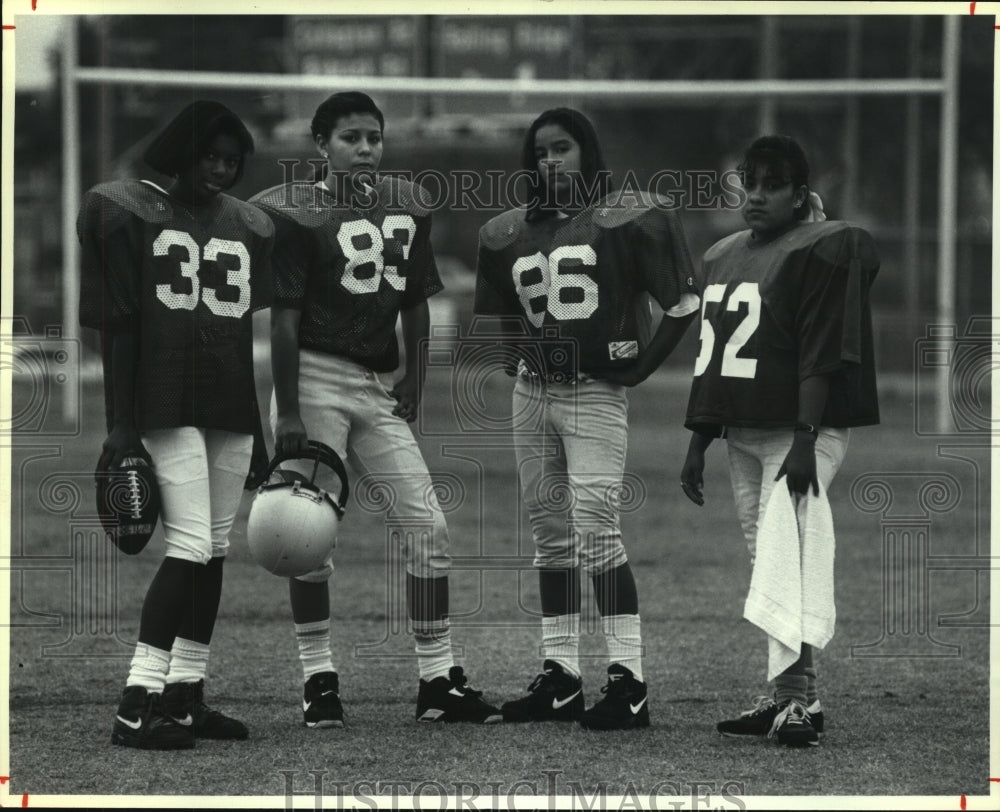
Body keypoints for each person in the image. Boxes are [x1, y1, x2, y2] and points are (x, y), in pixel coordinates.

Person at [250, 91, 502, 727]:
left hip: (372, 378)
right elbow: (282, 319)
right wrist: (286, 411)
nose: (365, 149)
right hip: (310, 374)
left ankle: (437, 681)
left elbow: (417, 298)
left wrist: (415, 373)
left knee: (428, 527)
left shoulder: (404, 205)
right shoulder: (294, 212)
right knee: (305, 534)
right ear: (320, 145)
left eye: (373, 138)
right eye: (350, 138)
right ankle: (319, 679)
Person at [474, 107, 699, 730]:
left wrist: (640, 368)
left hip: (594, 392)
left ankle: (629, 681)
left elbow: (682, 304)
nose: (551, 160)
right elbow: (506, 320)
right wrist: (522, 365)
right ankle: (562, 677)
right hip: (533, 393)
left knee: (597, 530)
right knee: (550, 536)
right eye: (541, 151)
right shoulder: (509, 232)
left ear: (587, 153)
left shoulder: (626, 217)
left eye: (563, 148)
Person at [78, 100, 274, 749]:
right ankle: (137, 701)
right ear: (181, 151)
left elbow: (246, 332)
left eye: (229, 160)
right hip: (165, 399)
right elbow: (119, 328)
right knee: (189, 547)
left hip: (228, 399)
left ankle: (186, 693)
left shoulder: (246, 223)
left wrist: (262, 429)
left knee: (215, 549)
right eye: (209, 156)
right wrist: (118, 425)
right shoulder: (127, 211)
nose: (219, 169)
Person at [680, 134, 880, 747]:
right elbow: (716, 359)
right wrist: (699, 440)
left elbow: (823, 352)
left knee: (785, 552)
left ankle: (796, 702)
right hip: (744, 429)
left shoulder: (822, 248)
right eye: (751, 182)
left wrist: (804, 438)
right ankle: (797, 700)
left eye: (772, 184)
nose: (757, 195)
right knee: (771, 561)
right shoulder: (725, 254)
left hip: (801, 431)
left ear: (801, 194)